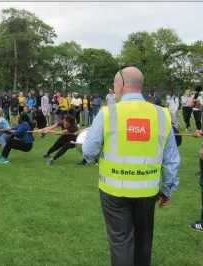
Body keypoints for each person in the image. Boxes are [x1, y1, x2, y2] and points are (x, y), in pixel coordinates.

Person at [83, 66, 180, 266]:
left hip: (114, 189)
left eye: (114, 85)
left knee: (120, 242)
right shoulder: (161, 115)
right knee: (143, 241)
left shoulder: (108, 113)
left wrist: (97, 157)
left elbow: (89, 150)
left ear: (121, 85)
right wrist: (167, 188)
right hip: (148, 190)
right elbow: (171, 158)